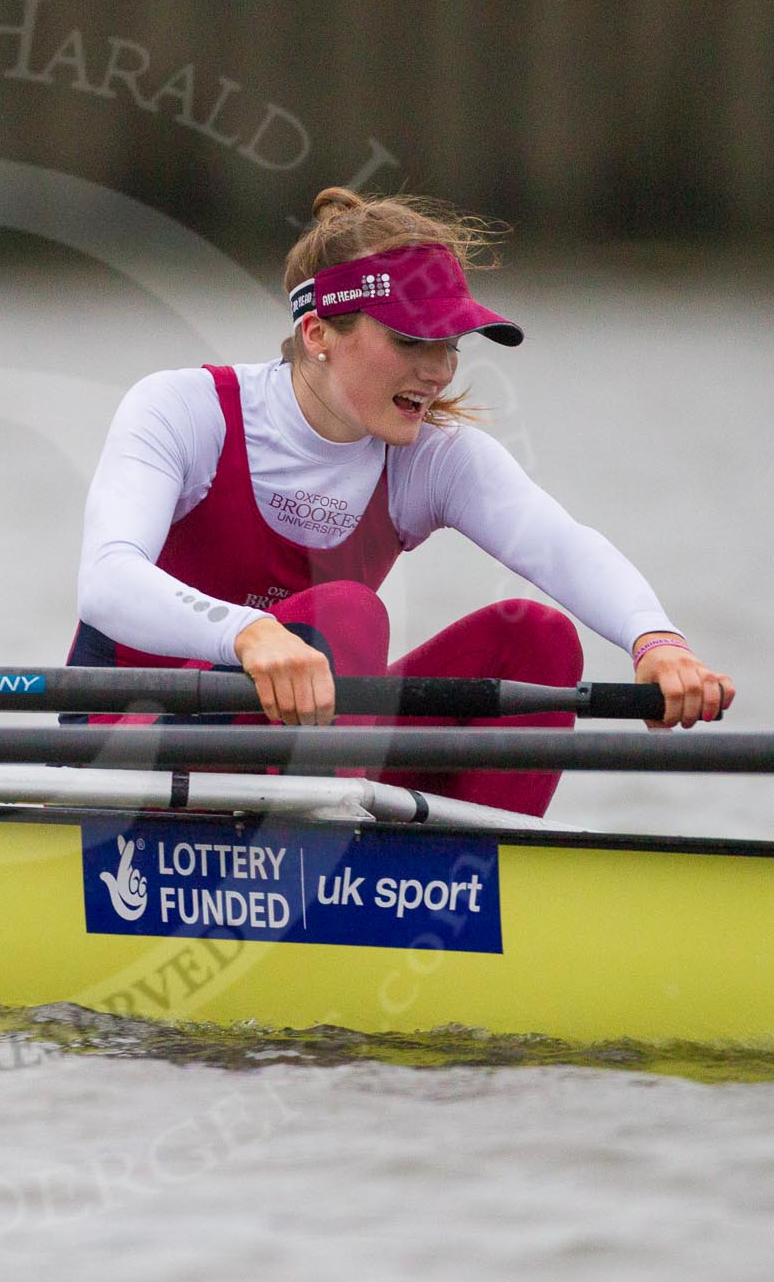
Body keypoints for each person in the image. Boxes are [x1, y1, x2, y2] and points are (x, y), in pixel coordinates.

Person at [69, 187, 734, 816]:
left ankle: (471, 892)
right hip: (133, 747)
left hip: (298, 755)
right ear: (317, 332)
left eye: (448, 342)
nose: (441, 370)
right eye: (411, 339)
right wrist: (246, 632)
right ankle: (317, 867)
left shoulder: (430, 457)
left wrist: (657, 640)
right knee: (348, 614)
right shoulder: (185, 410)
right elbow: (107, 580)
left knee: (536, 639)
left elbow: (560, 544)